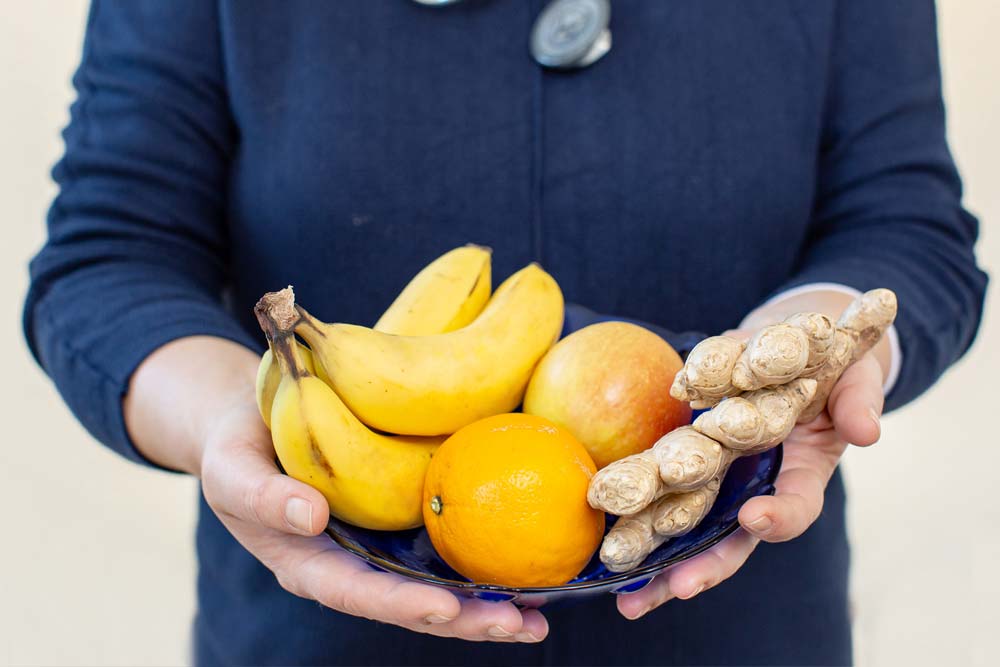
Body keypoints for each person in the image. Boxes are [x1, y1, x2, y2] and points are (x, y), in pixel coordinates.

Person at [24, 1, 986, 665]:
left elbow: (903, 218)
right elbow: (111, 255)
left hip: (740, 629)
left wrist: (810, 347)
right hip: (320, 636)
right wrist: (227, 420)